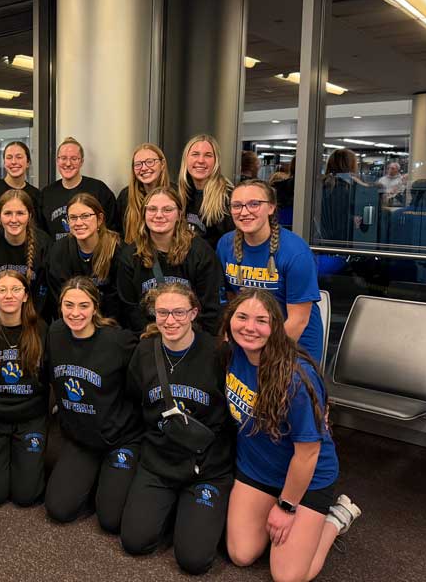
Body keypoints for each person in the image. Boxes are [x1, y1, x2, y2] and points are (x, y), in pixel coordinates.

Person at [223, 289, 361, 582]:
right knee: (241, 554)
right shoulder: (233, 352)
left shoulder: (297, 377)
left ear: (276, 326)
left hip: (305, 477)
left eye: (261, 320)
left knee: (287, 577)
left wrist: (286, 507)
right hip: (257, 469)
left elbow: (308, 454)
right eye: (242, 317)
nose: (249, 327)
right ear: (230, 320)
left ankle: (334, 519)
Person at [120, 283, 234, 575]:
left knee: (194, 561)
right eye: (162, 313)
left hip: (206, 467)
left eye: (179, 312)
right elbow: (135, 399)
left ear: (194, 313)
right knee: (135, 541)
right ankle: (174, 511)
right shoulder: (144, 352)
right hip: (159, 462)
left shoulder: (218, 353)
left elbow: (233, 416)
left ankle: (190, 514)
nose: (170, 321)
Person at [43, 276, 141, 533]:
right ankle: (94, 478)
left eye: (84, 306)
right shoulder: (54, 334)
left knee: (110, 520)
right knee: (59, 509)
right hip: (82, 438)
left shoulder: (118, 341)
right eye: (69, 305)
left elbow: (143, 380)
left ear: (95, 307)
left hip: (119, 438)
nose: (75, 313)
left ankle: (113, 478)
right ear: (60, 306)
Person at [217, 179, 325, 364]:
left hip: (293, 343)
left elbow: (298, 319)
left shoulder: (295, 252)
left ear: (271, 207)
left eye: (254, 204)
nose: (244, 212)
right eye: (237, 205)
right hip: (250, 339)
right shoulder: (226, 245)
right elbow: (233, 301)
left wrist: (266, 358)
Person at [0, 270, 48, 507]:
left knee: (26, 497)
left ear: (26, 296)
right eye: (2, 290)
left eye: (16, 289)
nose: (9, 296)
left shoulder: (42, 329)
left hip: (30, 416)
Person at [117, 187, 222, 333]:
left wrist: (188, 337)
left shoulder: (200, 252)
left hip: (191, 336)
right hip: (147, 336)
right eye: (152, 209)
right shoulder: (130, 256)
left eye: (167, 209)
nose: (159, 215)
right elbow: (128, 309)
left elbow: (211, 308)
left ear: (179, 215)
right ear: (143, 214)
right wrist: (150, 334)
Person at [46, 193, 123, 322]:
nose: (79, 223)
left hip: (110, 323)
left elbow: (119, 302)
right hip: (73, 321)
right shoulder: (58, 251)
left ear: (99, 219)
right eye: (73, 217)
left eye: (85, 216)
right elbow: (58, 297)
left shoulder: (117, 250)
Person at [0, 189, 52, 315]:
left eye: (20, 213)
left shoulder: (44, 244)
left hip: (36, 317)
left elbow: (45, 291)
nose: (14, 219)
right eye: (7, 213)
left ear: (29, 215)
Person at [40, 137, 117, 240]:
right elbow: (42, 234)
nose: (68, 163)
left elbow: (112, 230)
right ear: (57, 161)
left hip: (94, 254)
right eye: (63, 158)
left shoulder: (99, 190)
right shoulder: (47, 194)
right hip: (57, 255)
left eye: (74, 159)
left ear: (81, 162)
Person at [176, 134, 234, 249]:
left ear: (216, 161)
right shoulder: (179, 193)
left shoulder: (228, 197)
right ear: (186, 159)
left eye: (208, 155)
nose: (201, 160)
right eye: (195, 154)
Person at [318, 148, 382, 245]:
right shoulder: (350, 189)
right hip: (344, 242)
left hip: (322, 242)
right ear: (351, 165)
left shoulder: (320, 186)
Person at [116, 143, 171, 244]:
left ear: (162, 164)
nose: (144, 168)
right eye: (138, 164)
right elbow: (118, 234)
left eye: (150, 162)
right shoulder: (125, 196)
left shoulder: (176, 194)